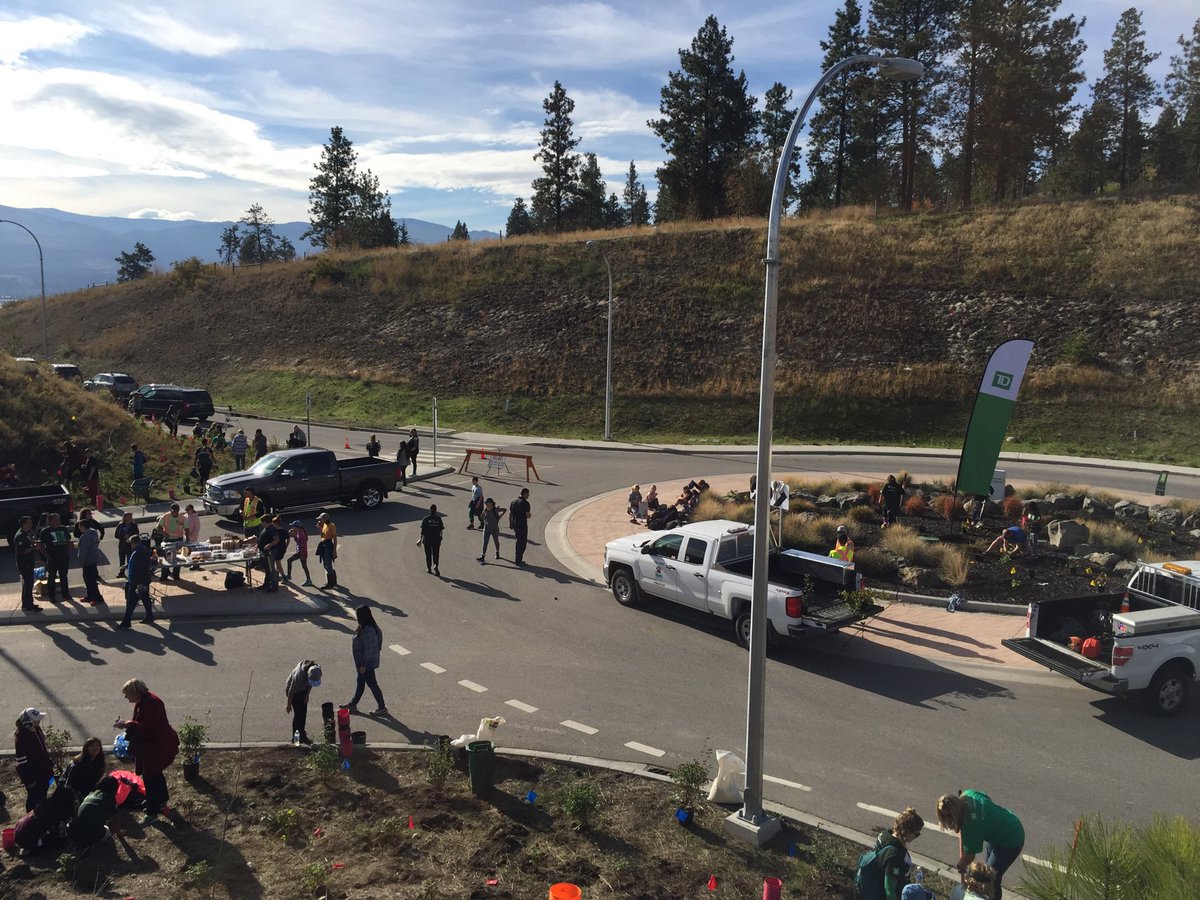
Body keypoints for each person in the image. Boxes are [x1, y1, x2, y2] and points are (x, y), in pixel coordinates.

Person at [937, 790, 1025, 900]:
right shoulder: (968, 794)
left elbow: (969, 857)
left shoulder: (970, 826)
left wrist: (960, 865)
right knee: (988, 873)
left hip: (1012, 839)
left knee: (990, 879)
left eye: (948, 819)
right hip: (1005, 823)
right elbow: (987, 798)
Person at [115, 679, 179, 823]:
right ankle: (162, 804)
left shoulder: (149, 704)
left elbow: (147, 729)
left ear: (135, 692)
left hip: (156, 747)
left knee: (150, 779)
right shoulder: (147, 701)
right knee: (156, 775)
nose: (126, 698)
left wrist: (127, 725)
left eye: (127, 694)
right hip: (157, 746)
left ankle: (152, 813)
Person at [340, 606, 387, 716]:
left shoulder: (368, 630)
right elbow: (379, 637)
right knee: (360, 683)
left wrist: (363, 665)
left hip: (365, 664)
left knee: (372, 684)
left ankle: (382, 707)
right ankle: (353, 704)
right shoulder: (368, 627)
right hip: (362, 663)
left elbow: (368, 649)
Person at [871, 806, 924, 900]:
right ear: (907, 832)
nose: (917, 837)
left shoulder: (885, 835)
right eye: (917, 834)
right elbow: (889, 889)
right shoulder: (895, 856)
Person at [13, 788, 74, 855]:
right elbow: (58, 831)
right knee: (58, 842)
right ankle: (33, 850)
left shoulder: (45, 805)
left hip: (17, 833)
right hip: (24, 840)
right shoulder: (53, 813)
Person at [15, 707, 53, 811]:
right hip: (34, 778)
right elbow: (21, 763)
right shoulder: (22, 738)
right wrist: (30, 781)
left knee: (44, 794)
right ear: (28, 722)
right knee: (34, 798)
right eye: (36, 720)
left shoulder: (36, 729)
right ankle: (31, 818)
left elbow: (43, 749)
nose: (39, 721)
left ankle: (43, 813)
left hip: (45, 773)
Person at [68, 775, 121, 850]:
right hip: (89, 836)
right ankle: (91, 843)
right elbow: (116, 820)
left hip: (74, 834)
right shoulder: (110, 798)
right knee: (107, 830)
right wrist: (119, 833)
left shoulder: (90, 794)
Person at [119, 534, 155, 628]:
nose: (130, 545)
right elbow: (136, 563)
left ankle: (126, 622)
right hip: (142, 580)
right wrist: (127, 566)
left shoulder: (138, 552)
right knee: (145, 598)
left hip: (137, 581)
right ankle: (149, 616)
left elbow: (139, 568)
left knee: (131, 601)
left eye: (130, 543)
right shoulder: (141, 550)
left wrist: (139, 583)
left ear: (133, 543)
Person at [38, 512, 74, 602]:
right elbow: (41, 546)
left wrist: (68, 552)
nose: (58, 522)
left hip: (64, 557)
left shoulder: (63, 529)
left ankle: (65, 594)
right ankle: (52, 596)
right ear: (50, 521)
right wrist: (47, 556)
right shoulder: (45, 532)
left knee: (64, 576)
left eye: (59, 520)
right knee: (52, 577)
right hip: (52, 558)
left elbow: (69, 541)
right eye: (56, 520)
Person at [284, 660, 322, 744]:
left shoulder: (316, 669)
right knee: (298, 716)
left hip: (303, 690)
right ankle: (296, 739)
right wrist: (289, 705)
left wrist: (307, 694)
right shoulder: (299, 676)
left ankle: (302, 736)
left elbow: (310, 683)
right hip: (294, 693)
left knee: (303, 714)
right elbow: (291, 691)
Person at [14, 515, 42, 612]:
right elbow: (21, 551)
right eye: (29, 523)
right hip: (24, 563)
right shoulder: (20, 536)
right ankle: (27, 605)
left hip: (29, 562)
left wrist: (35, 543)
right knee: (28, 583)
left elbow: (32, 541)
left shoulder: (29, 532)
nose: (31, 524)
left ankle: (29, 603)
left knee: (29, 583)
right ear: (23, 524)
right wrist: (33, 548)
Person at [77, 519, 104, 605]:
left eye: (79, 526)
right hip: (93, 559)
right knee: (89, 579)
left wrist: (80, 561)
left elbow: (84, 550)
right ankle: (90, 596)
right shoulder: (92, 533)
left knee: (90, 580)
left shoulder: (86, 536)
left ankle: (97, 597)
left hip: (88, 560)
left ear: (82, 526)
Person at [157, 503, 186, 580]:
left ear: (178, 510)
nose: (174, 512)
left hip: (178, 540)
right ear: (170, 510)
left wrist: (188, 538)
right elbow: (158, 528)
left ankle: (176, 575)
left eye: (176, 511)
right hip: (168, 541)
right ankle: (164, 576)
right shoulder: (165, 517)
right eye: (173, 511)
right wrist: (164, 534)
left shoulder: (182, 518)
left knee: (178, 559)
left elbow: (186, 528)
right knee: (167, 559)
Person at [256, 516, 280, 593]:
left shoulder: (272, 529)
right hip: (265, 552)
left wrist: (269, 545)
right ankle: (266, 583)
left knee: (271, 569)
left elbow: (277, 539)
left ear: (266, 522)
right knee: (267, 568)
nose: (261, 523)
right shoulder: (266, 528)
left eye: (262, 522)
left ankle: (274, 586)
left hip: (270, 552)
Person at [419, 504, 444, 575]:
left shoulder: (426, 519)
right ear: (436, 510)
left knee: (428, 554)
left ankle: (429, 568)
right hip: (436, 539)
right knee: (436, 554)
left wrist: (420, 539)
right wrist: (441, 537)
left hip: (427, 540)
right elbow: (441, 529)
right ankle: (435, 565)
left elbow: (423, 531)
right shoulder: (438, 519)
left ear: (430, 510)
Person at [286, 520, 313, 586]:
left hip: (301, 552)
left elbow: (299, 542)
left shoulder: (301, 534)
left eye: (293, 526)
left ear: (297, 527)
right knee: (304, 566)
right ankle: (309, 580)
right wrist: (294, 535)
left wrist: (294, 535)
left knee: (289, 560)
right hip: (302, 551)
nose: (292, 527)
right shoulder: (300, 532)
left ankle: (289, 576)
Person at [510, 487, 532, 565]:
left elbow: (511, 514)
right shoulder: (526, 503)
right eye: (528, 494)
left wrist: (511, 523)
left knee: (518, 540)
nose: (528, 495)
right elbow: (528, 515)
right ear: (525, 494)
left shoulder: (513, 502)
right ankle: (518, 559)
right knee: (522, 542)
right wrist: (530, 515)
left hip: (515, 524)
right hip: (522, 525)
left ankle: (518, 558)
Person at [478, 498, 504, 563]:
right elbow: (482, 517)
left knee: (496, 542)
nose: (486, 504)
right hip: (486, 529)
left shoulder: (495, 509)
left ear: (491, 503)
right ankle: (482, 556)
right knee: (485, 543)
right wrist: (483, 518)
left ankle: (497, 552)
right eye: (485, 503)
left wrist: (500, 516)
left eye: (487, 503)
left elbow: (504, 510)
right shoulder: (485, 510)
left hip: (494, 529)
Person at [316, 511, 338, 588]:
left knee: (328, 564)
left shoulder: (331, 526)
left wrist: (334, 550)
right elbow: (322, 535)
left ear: (325, 519)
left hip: (328, 545)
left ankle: (330, 583)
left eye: (321, 519)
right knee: (325, 564)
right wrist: (320, 527)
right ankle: (333, 580)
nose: (319, 520)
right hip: (324, 544)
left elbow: (334, 538)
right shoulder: (324, 525)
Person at [114, 511, 139, 578]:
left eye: (131, 517)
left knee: (130, 560)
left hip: (130, 546)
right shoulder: (120, 525)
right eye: (129, 517)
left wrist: (130, 536)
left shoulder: (134, 525)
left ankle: (130, 573)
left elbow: (137, 534)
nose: (131, 518)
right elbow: (116, 535)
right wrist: (123, 536)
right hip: (122, 546)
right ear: (125, 518)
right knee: (121, 560)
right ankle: (121, 572)